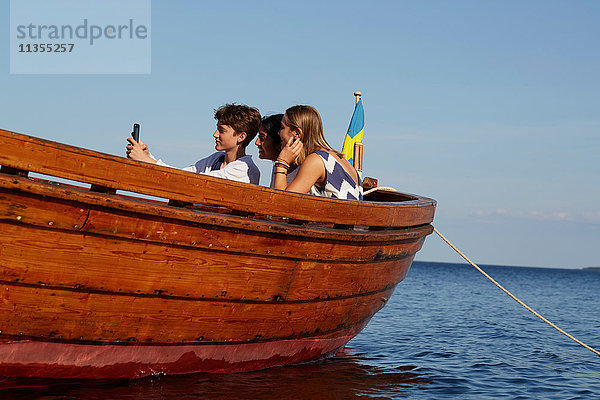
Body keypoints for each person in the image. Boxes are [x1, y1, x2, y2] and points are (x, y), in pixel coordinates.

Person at [126, 104, 261, 184]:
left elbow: (191, 182)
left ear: (241, 137)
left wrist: (147, 161)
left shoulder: (245, 169)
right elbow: (182, 174)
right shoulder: (216, 159)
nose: (215, 134)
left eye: (221, 131)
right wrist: (147, 157)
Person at [273, 105, 362, 200]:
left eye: (282, 127)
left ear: (297, 133)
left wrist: (282, 163)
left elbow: (282, 202)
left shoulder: (316, 160)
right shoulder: (339, 159)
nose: (279, 133)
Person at [255, 113, 299, 188]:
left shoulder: (302, 169)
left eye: (262, 138)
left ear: (279, 142)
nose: (257, 143)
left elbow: (280, 198)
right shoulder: (277, 166)